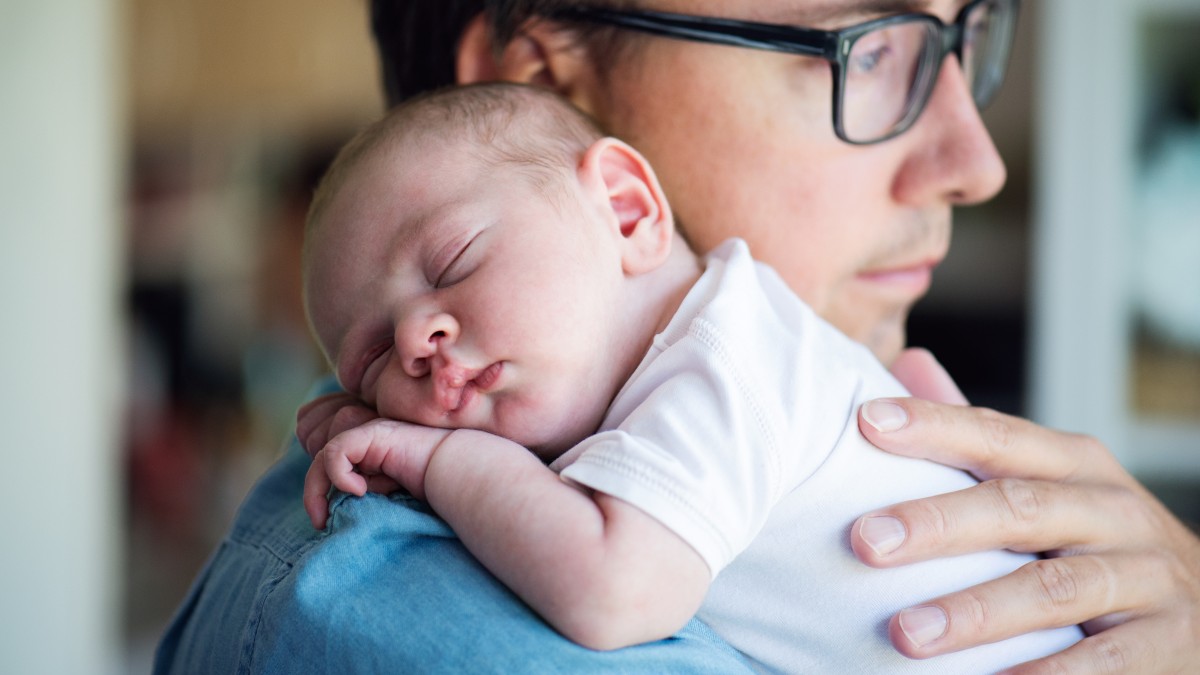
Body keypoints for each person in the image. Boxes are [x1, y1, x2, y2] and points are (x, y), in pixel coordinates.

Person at [156, 1, 1200, 672]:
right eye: (869, 50)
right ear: (543, 90)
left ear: (625, 206)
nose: (974, 162)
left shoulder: (746, 379)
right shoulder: (408, 612)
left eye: (968, 39)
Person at [298, 80, 1083, 672]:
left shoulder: (721, 361)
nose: (415, 339)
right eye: (372, 363)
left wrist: (439, 459)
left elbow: (617, 592)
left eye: (453, 261)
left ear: (627, 210)